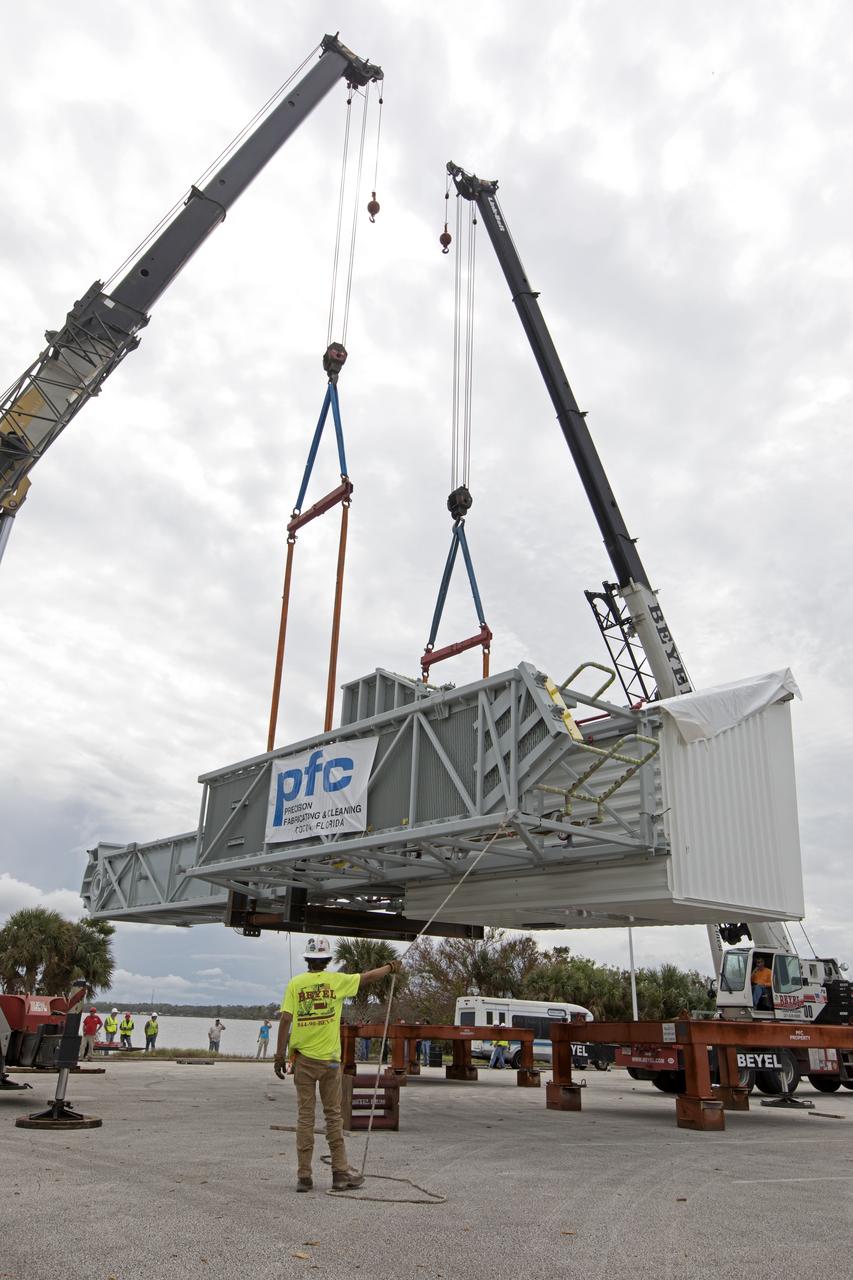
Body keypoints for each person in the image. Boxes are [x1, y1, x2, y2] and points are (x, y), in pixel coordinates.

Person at [275, 936, 402, 1193]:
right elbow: (366, 977)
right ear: (327, 959)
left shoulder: (295, 984)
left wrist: (279, 1055)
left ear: (307, 959)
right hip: (331, 1063)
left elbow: (286, 1019)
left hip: (303, 1061)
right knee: (334, 1116)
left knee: (305, 1118)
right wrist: (390, 967)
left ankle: (304, 1177)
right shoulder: (337, 982)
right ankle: (340, 1174)